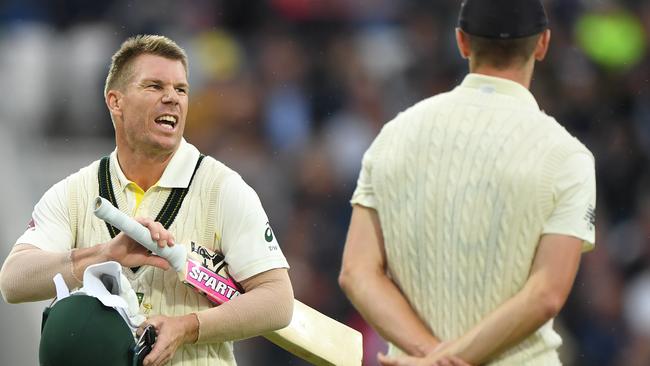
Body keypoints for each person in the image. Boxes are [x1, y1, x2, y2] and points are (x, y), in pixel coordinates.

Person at [0, 34, 294, 366]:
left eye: (181, 89)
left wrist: (188, 327)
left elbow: (277, 300)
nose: (172, 98)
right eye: (154, 86)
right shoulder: (74, 192)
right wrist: (103, 255)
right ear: (115, 102)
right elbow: (14, 281)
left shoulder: (223, 189)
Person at [338, 1, 596, 365]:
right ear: (542, 44)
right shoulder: (568, 157)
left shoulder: (393, 136)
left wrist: (431, 356)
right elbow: (546, 294)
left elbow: (357, 272)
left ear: (461, 42)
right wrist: (449, 360)